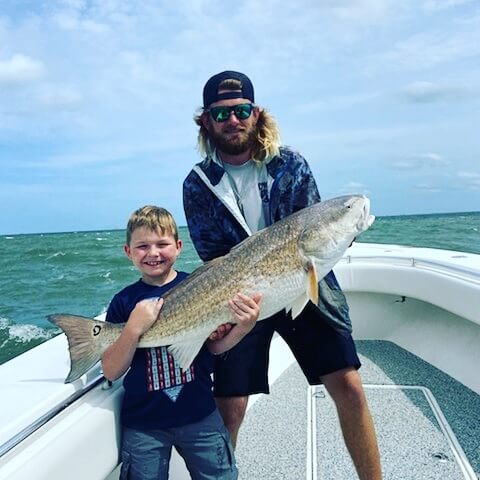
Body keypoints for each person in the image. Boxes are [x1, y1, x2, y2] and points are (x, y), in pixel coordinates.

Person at [183, 71, 382, 480]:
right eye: (221, 114)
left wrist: (346, 230)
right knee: (230, 405)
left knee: (349, 386)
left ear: (255, 114)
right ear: (206, 121)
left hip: (304, 285)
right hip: (240, 299)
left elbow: (317, 230)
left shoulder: (289, 164)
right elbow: (212, 255)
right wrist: (231, 309)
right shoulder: (198, 184)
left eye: (240, 111)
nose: (232, 120)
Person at [101, 205, 262, 480]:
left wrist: (243, 327)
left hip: (201, 414)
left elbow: (214, 347)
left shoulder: (204, 285)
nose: (153, 253)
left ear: (178, 247)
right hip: (143, 424)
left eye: (162, 244)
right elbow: (112, 371)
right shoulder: (123, 302)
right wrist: (133, 328)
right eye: (142, 246)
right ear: (128, 252)